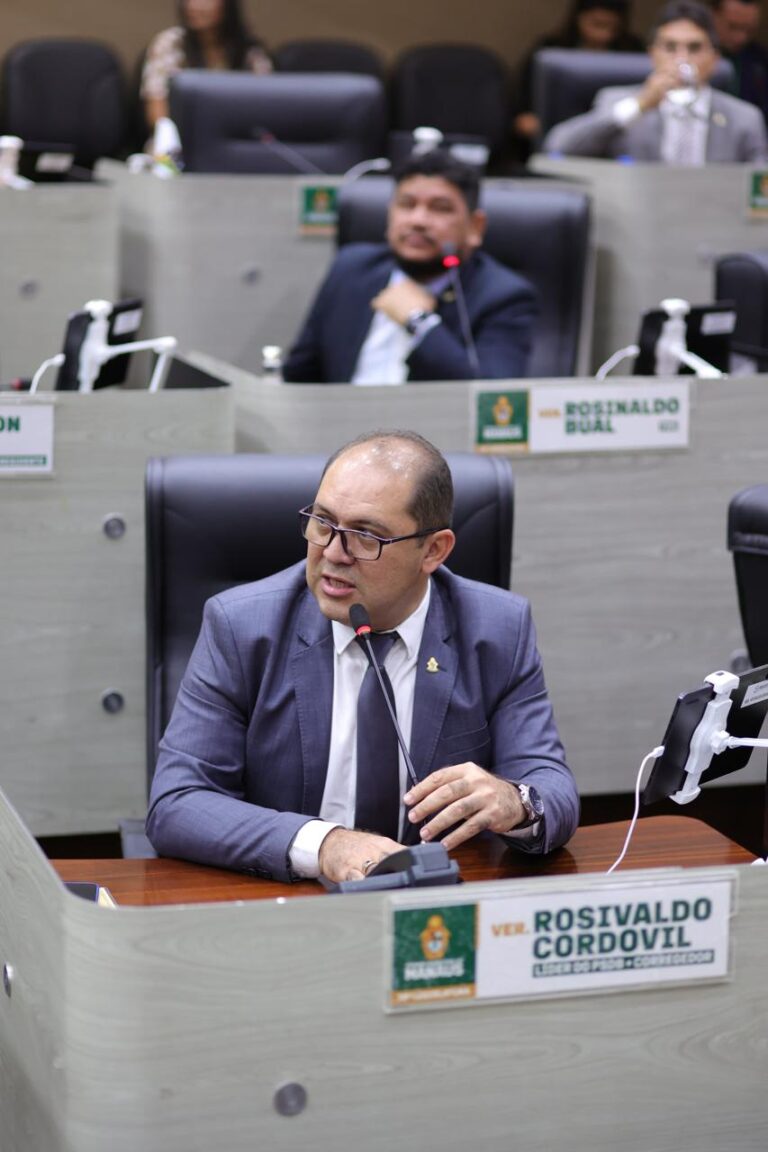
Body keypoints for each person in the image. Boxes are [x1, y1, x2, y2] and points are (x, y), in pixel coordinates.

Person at [146, 431, 580, 885]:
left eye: (365, 536)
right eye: (322, 522)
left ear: (433, 550)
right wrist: (326, 844)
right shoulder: (241, 627)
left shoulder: (496, 629)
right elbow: (177, 802)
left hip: (434, 909)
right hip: (286, 902)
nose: (333, 553)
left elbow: (554, 791)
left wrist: (514, 801)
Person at [281, 150, 537, 384]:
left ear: (475, 226)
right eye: (407, 204)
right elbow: (300, 376)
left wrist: (419, 321)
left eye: (440, 209)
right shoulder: (351, 268)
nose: (418, 220)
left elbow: (490, 400)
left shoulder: (504, 297)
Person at [543, 0, 768, 161]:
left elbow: (760, 196)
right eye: (670, 47)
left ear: (715, 58)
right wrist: (639, 105)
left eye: (694, 47)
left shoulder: (744, 119)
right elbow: (558, 147)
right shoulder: (619, 101)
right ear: (653, 54)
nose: (682, 58)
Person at [512, 0, 645, 154]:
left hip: (614, 140)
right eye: (597, 24)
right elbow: (522, 110)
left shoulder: (631, 51)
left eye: (612, 27)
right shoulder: (554, 50)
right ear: (578, 18)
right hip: (555, 140)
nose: (603, 35)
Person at [141, 0, 272, 129]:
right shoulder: (171, 43)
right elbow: (157, 115)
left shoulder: (250, 53)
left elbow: (267, 109)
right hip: (180, 140)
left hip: (234, 140)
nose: (194, 5)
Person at [710, 0, 768, 123]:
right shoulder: (692, 53)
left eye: (749, 30)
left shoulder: (760, 61)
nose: (740, 38)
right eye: (733, 26)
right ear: (713, 15)